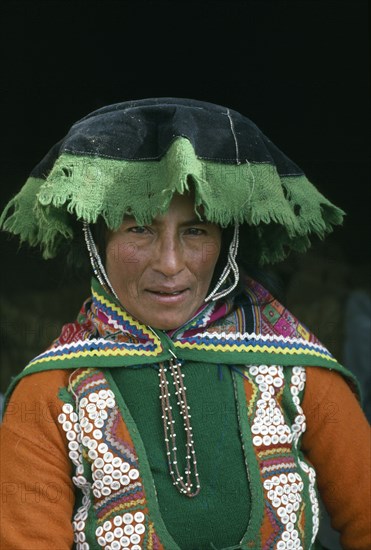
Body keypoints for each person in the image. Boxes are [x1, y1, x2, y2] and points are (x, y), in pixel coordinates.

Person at [0, 97, 370, 550]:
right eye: (138, 229)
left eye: (196, 231)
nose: (170, 264)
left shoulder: (297, 370)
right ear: (96, 242)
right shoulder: (50, 390)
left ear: (227, 244)